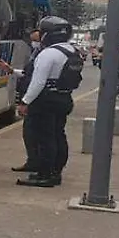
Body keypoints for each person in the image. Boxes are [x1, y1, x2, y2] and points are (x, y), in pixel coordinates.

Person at [16, 16, 82, 188]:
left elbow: (38, 82)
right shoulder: (72, 51)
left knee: (44, 138)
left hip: (46, 100)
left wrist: (25, 101)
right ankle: (55, 172)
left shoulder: (48, 53)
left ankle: (44, 174)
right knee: (59, 135)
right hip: (64, 98)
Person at [10, 29, 41, 173]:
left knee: (33, 133)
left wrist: (25, 102)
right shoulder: (37, 54)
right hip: (33, 98)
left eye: (35, 40)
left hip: (36, 101)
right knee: (30, 133)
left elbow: (37, 81)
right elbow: (27, 74)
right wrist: (11, 70)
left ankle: (36, 163)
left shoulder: (43, 54)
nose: (32, 43)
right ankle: (33, 161)